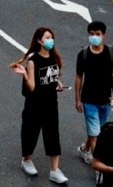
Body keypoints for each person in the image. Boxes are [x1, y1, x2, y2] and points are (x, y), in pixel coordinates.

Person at [10, 27, 68, 184]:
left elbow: (51, 76)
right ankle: (26, 160)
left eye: (52, 37)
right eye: (47, 37)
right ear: (39, 40)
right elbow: (32, 87)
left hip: (51, 104)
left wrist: (57, 82)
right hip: (34, 105)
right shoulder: (33, 61)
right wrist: (24, 74)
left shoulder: (54, 58)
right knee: (31, 133)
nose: (51, 40)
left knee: (53, 136)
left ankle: (54, 170)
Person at [74, 21, 113, 164]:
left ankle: (85, 148)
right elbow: (78, 77)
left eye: (97, 34)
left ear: (104, 35)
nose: (94, 37)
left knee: (97, 132)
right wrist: (77, 99)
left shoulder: (111, 52)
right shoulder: (83, 54)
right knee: (96, 135)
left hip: (106, 99)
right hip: (89, 100)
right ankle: (99, 167)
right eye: (91, 34)